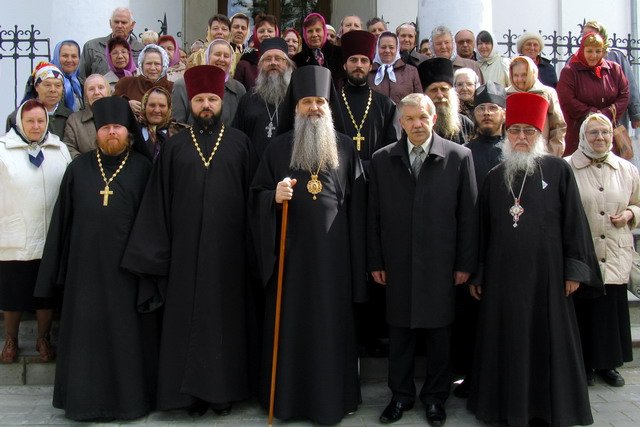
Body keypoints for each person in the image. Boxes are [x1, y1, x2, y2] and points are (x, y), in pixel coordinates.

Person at [122, 65, 254, 416]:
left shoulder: (241, 143)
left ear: (222, 102)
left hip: (229, 255)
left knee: (226, 321)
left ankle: (224, 392)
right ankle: (187, 396)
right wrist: (156, 255)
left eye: (212, 99)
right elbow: (158, 202)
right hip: (184, 254)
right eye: (199, 100)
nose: (206, 105)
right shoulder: (175, 146)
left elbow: (254, 202)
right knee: (186, 321)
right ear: (190, 103)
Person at [467, 92, 602, 427]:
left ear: (540, 135)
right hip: (502, 279)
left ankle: (548, 408)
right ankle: (504, 408)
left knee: (548, 340)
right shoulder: (494, 176)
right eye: (515, 130)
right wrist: (479, 273)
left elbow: (574, 222)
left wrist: (574, 269)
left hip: (548, 277)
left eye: (529, 131)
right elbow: (482, 231)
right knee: (506, 340)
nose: (521, 137)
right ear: (506, 133)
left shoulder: (558, 170)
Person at [250, 65, 365, 425]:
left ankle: (333, 400)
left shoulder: (345, 147)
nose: (314, 108)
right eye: (307, 102)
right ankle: (288, 402)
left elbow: (359, 207)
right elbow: (256, 195)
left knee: (331, 327)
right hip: (291, 258)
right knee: (291, 326)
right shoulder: (277, 147)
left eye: (320, 102)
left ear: (328, 106)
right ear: (296, 107)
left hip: (334, 259)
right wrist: (273, 198)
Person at [34, 96, 155, 421]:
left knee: (125, 337)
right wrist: (56, 272)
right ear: (97, 132)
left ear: (129, 132)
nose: (111, 132)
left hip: (128, 272)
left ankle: (129, 402)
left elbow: (154, 221)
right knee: (85, 338)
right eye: (105, 128)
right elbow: (62, 222)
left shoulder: (144, 169)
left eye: (117, 127)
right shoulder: (78, 169)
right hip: (83, 271)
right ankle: (83, 402)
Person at [367, 93, 478, 425]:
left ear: (434, 119)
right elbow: (373, 216)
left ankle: (435, 398)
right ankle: (400, 396)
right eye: (410, 118)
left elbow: (468, 215)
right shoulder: (382, 159)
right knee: (400, 333)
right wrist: (376, 261)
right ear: (401, 122)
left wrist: (465, 264)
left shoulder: (459, 156)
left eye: (423, 117)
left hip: (441, 264)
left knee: (439, 335)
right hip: (397, 262)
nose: (417, 124)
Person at [567, 113, 640, 387]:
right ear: (583, 136)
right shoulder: (567, 167)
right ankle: (583, 365)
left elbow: (638, 202)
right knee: (582, 310)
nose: (600, 137)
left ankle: (607, 364)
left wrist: (630, 214)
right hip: (583, 252)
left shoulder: (627, 169)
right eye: (594, 132)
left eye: (605, 132)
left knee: (609, 312)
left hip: (614, 251)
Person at [0, 99, 71, 364]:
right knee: (13, 293)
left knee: (45, 295)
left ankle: (43, 338)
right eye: (30, 121)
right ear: (20, 122)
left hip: (49, 234)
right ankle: (11, 340)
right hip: (15, 233)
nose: (36, 126)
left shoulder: (59, 149)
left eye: (41, 121)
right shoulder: (3, 150)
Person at [453, 82, 506, 398]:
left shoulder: (515, 150)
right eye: (482, 108)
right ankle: (472, 379)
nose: (487, 114)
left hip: (507, 246)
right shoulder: (464, 152)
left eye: (493, 108)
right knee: (472, 319)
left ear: (504, 113)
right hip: (474, 245)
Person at [557, 32, 629, 156]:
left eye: (598, 51)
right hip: (578, 133)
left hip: (608, 133)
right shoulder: (570, 71)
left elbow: (624, 95)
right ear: (582, 50)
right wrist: (593, 114)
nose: (594, 55)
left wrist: (606, 114)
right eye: (589, 51)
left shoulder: (614, 69)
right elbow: (567, 100)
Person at [339, 30, 398, 172]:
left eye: (364, 60)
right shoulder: (332, 102)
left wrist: (371, 166)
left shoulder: (386, 105)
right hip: (340, 175)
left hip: (376, 174)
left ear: (370, 66)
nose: (359, 65)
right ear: (345, 65)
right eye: (353, 60)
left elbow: (393, 146)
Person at [232, 38, 294, 159]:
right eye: (268, 59)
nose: (273, 63)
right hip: (253, 167)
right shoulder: (248, 99)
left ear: (287, 64)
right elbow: (237, 138)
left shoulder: (296, 98)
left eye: (278, 58)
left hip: (286, 167)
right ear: (260, 65)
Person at [581, 20, 640, 131]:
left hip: (615, 119)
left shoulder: (616, 57)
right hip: (585, 120)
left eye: (591, 34)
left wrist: (636, 114)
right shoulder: (574, 61)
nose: (588, 38)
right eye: (584, 35)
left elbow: (629, 88)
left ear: (602, 36)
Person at [172, 39, 246, 126]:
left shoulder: (238, 89)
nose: (222, 59)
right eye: (217, 54)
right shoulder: (183, 85)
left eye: (226, 56)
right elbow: (177, 125)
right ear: (207, 56)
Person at [507, 55, 567, 156]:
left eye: (524, 75)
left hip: (542, 153)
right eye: (516, 75)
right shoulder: (506, 94)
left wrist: (553, 154)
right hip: (512, 154)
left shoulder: (547, 93)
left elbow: (558, 126)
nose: (520, 79)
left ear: (532, 73)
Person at [6, 62, 72, 139]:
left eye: (58, 85)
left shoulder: (70, 117)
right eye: (47, 85)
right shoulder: (17, 117)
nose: (53, 90)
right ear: (36, 87)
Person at [418, 57, 475, 144]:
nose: (440, 95)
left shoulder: (465, 124)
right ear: (425, 94)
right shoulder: (417, 125)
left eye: (444, 89)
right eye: (434, 90)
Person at [79, 7, 144, 82]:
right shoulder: (92, 47)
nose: (119, 26)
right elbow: (82, 78)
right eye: (116, 22)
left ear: (132, 25)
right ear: (110, 23)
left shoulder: (142, 50)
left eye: (124, 22)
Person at [114, 44, 174, 117]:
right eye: (148, 63)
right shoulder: (126, 83)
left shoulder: (173, 88)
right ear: (141, 65)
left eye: (157, 64)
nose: (152, 68)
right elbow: (112, 106)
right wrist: (126, 105)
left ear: (164, 66)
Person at [63, 73, 110, 157]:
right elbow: (69, 147)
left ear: (108, 91)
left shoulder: (121, 114)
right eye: (91, 89)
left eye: (101, 87)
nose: (96, 92)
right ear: (85, 95)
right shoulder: (74, 120)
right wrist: (86, 163)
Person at [368, 31, 422, 105]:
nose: (387, 51)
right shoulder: (369, 72)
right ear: (377, 49)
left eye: (391, 47)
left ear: (397, 49)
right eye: (383, 47)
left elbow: (419, 100)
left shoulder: (411, 71)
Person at [292, 13, 345, 85]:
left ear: (324, 31)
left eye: (318, 30)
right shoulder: (297, 60)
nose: (314, 35)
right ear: (305, 34)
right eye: (310, 31)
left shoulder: (340, 54)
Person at [138, 86, 186, 161]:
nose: (157, 110)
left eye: (162, 106)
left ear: (169, 108)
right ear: (144, 106)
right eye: (152, 105)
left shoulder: (180, 133)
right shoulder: (134, 131)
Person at [234, 13, 280, 91]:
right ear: (255, 34)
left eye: (270, 31)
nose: (266, 34)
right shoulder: (245, 63)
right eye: (261, 31)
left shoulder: (284, 61)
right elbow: (238, 92)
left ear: (276, 33)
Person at [51, 40, 83, 112]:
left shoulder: (81, 83)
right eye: (65, 56)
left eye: (74, 56)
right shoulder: (47, 81)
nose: (69, 60)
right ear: (57, 57)